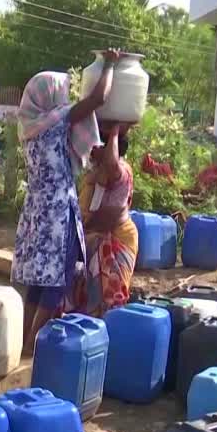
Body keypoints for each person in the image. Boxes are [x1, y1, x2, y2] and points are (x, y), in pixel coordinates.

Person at [12, 49, 120, 355]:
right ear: (48, 98)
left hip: (36, 211)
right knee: (57, 281)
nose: (64, 98)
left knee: (38, 281)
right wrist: (110, 63)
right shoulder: (56, 120)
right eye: (60, 92)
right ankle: (33, 348)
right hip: (58, 213)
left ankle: (22, 343)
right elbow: (98, 99)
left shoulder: (29, 127)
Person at [67, 123, 139, 317]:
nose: (92, 147)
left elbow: (111, 163)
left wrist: (114, 131)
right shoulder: (96, 171)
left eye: (98, 144)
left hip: (114, 240)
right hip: (92, 240)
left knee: (107, 303)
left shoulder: (121, 171)